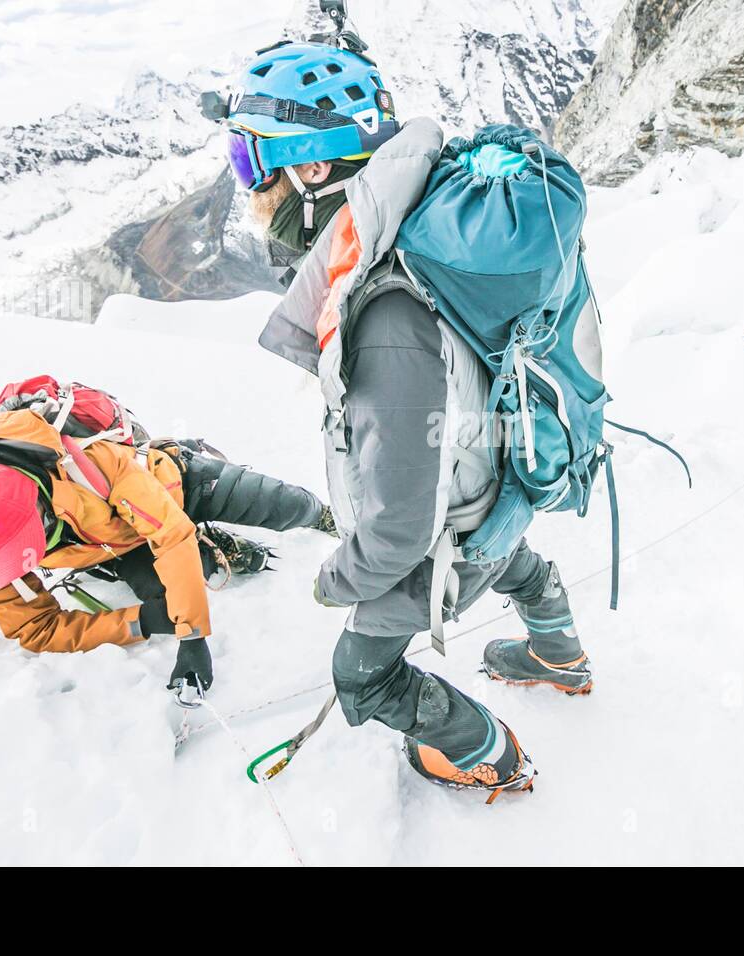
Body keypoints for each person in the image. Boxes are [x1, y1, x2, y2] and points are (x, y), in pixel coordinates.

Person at [224, 35, 589, 799]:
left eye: (252, 162)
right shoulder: (429, 215)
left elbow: (395, 536)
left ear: (312, 167)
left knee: (363, 677)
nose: (251, 191)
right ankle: (559, 652)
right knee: (507, 559)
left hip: (454, 528)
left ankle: (489, 753)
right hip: (501, 495)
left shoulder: (387, 305)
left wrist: (335, 582)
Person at [0, 404, 333, 691]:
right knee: (184, 578)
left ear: (39, 498)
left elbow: (171, 534)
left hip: (175, 485)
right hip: (116, 546)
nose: (24, 558)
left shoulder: (92, 462)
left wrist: (192, 635)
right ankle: (214, 548)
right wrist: (140, 622)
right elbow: (34, 629)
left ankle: (327, 516)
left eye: (23, 540)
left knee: (285, 504)